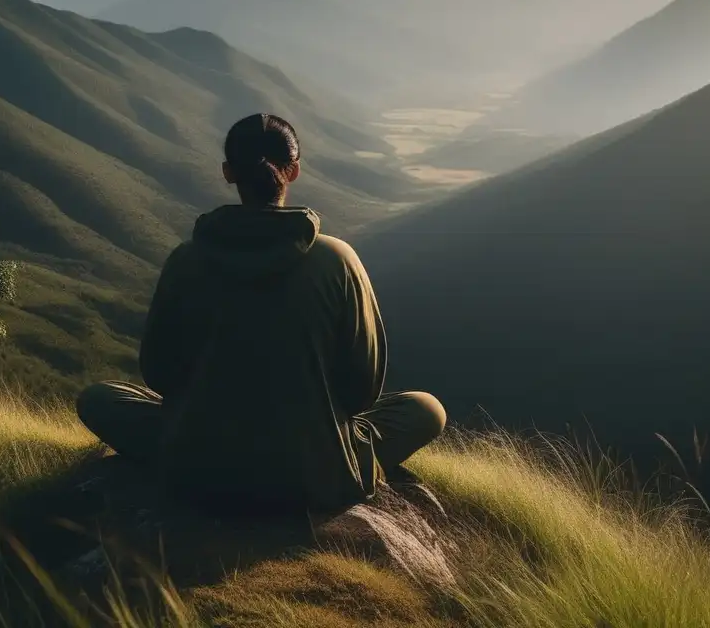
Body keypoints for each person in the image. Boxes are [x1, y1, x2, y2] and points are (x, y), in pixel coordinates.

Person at [76, 113, 446, 513]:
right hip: (314, 474)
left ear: (227, 172)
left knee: (99, 398)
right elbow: (363, 389)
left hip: (196, 466)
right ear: (295, 170)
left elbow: (160, 374)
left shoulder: (186, 260)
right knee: (426, 409)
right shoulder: (337, 259)